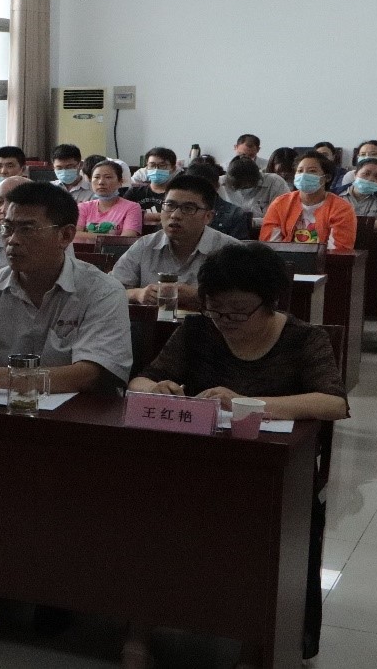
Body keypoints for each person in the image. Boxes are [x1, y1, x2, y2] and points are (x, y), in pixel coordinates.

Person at [126, 242, 347, 667]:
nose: (225, 320)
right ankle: (140, 627)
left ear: (270, 301)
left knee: (259, 535)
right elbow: (142, 381)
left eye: (239, 312)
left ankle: (254, 639)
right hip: (195, 463)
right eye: (216, 310)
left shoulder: (304, 338)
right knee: (152, 517)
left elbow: (333, 402)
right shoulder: (197, 331)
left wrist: (249, 404)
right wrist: (158, 389)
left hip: (270, 474)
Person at [0, 181, 132, 394]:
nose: (12, 240)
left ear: (65, 236)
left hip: (75, 412)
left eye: (27, 229)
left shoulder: (102, 291)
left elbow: (91, 374)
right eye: (7, 228)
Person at [112, 175, 240, 309]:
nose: (175, 215)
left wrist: (199, 296)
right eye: (169, 205)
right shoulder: (145, 245)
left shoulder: (231, 251)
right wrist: (137, 294)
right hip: (153, 322)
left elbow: (245, 301)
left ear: (208, 217)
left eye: (188, 208)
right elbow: (110, 290)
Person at [260, 150, 357, 251]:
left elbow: (338, 251)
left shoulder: (341, 208)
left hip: (324, 260)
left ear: (327, 177)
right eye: (300, 171)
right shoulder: (280, 204)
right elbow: (269, 246)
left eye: (312, 171)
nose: (304, 175)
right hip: (284, 259)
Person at [183, 162, 253, 239]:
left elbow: (239, 245)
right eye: (193, 188)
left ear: (217, 186)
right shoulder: (177, 209)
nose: (198, 192)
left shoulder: (234, 214)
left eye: (204, 187)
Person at [75, 160, 142, 237]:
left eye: (108, 177)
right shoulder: (83, 207)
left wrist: (87, 236)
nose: (101, 182)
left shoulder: (132, 207)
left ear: (120, 182)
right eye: (96, 177)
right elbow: (75, 235)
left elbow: (127, 239)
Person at [219, 156, 290, 226]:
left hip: (265, 229)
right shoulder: (219, 183)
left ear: (258, 178)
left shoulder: (275, 182)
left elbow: (282, 217)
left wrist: (250, 222)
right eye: (240, 186)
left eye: (247, 186)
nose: (244, 189)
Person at [122, 147, 178, 221]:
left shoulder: (177, 195)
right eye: (152, 165)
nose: (156, 169)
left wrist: (140, 216)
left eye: (162, 165)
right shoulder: (134, 192)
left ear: (173, 169)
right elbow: (121, 213)